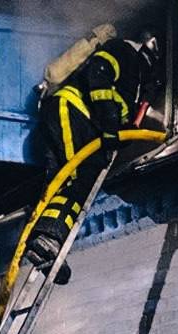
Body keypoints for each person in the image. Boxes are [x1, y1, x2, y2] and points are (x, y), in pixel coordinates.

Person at [24, 28, 162, 283]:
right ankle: (49, 237)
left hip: (74, 117)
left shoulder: (133, 78)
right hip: (71, 110)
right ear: (148, 46)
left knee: (61, 181)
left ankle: (43, 243)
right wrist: (110, 125)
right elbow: (98, 74)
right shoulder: (123, 51)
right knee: (80, 176)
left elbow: (119, 106)